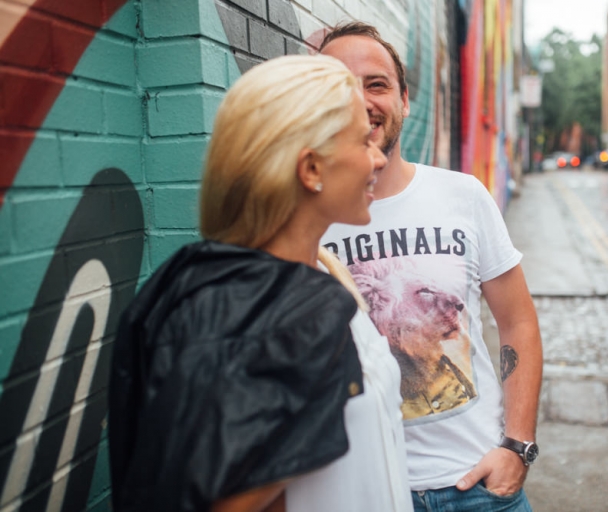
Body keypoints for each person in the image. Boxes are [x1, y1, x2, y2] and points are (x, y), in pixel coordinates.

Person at [108, 54, 413, 512]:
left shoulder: (317, 281)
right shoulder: (268, 309)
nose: (377, 156)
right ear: (311, 169)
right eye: (362, 140)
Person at [318, 23, 543, 511]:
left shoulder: (463, 195)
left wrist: (518, 446)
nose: (361, 101)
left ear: (404, 100)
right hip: (367, 493)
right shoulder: (306, 218)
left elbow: (518, 321)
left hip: (479, 487)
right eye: (341, 86)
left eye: (376, 84)